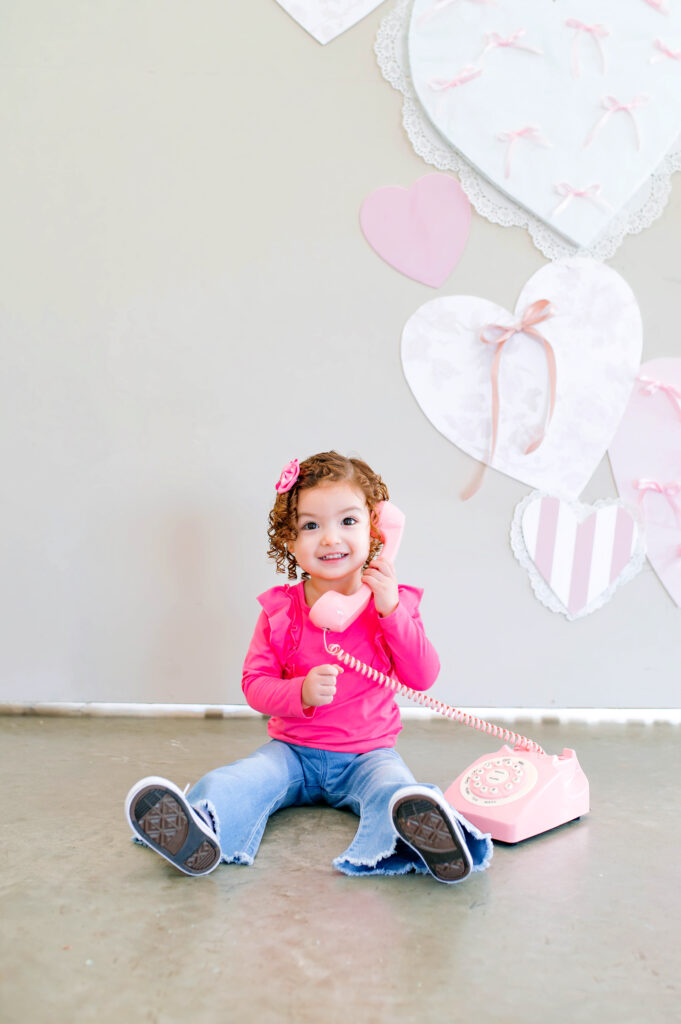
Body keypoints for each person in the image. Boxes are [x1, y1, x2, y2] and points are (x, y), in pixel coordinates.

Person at [125, 451, 492, 882]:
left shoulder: (393, 604)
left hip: (368, 754)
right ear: (289, 539)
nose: (330, 538)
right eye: (311, 526)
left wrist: (391, 612)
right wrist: (298, 691)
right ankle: (202, 823)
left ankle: (415, 839)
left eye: (348, 521)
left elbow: (423, 676)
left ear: (377, 529)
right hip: (292, 752)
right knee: (244, 778)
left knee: (394, 790)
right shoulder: (280, 610)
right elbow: (254, 685)